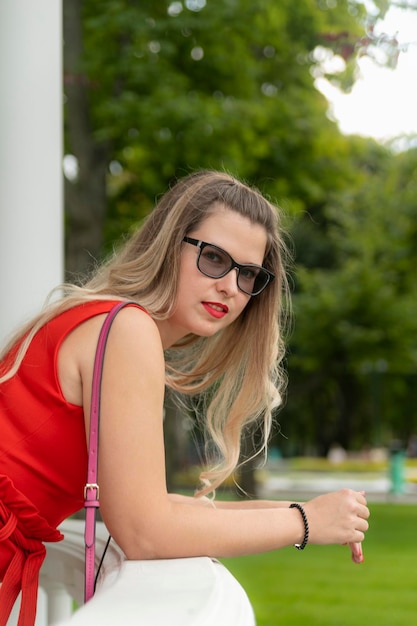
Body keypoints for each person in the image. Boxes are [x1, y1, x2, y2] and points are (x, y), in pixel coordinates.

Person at [0, 170, 369, 625]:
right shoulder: (126, 329)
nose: (231, 287)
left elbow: (152, 506)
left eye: (248, 273)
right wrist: (305, 523)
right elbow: (145, 532)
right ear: (169, 243)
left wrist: (311, 511)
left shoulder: (106, 321)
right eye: (213, 258)